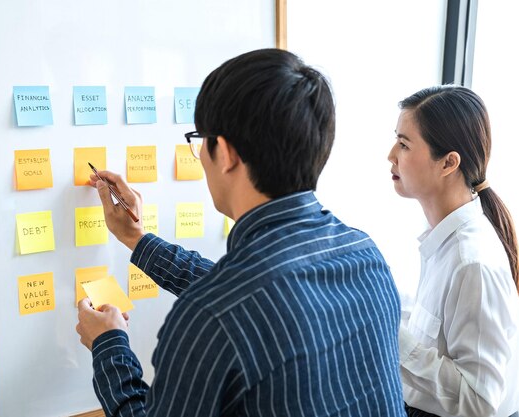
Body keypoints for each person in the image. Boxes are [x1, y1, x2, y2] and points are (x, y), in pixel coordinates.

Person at [76, 48, 406, 417]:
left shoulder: (212, 313)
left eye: (201, 140)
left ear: (227, 153)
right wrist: (137, 240)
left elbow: (235, 300)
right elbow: (262, 295)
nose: (199, 155)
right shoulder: (364, 254)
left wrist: (108, 344)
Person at [388, 85, 519, 417]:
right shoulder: (442, 242)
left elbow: (480, 404)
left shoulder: (471, 262)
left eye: (404, 144)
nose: (391, 155)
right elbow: (435, 338)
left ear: (448, 163)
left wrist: (389, 337)